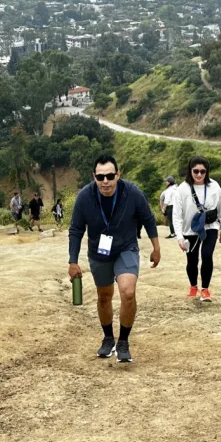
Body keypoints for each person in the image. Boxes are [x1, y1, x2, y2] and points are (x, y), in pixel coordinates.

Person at [68, 154, 161, 363]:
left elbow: (148, 219)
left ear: (118, 174)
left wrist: (156, 248)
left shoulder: (132, 193)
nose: (105, 181)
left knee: (128, 292)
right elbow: (75, 229)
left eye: (110, 175)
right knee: (104, 296)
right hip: (99, 252)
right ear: (94, 177)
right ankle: (108, 338)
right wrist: (72, 261)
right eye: (100, 177)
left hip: (126, 247)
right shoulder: (85, 197)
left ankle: (124, 342)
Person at [173, 156, 221, 302]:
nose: (199, 175)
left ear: (207, 172)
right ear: (190, 171)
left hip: (210, 226)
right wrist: (179, 237)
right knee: (192, 260)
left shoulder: (214, 186)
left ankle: (205, 289)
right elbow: (177, 215)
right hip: (190, 229)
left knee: (207, 255)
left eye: (202, 171)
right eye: (195, 171)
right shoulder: (182, 189)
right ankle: (193, 286)